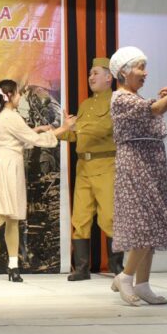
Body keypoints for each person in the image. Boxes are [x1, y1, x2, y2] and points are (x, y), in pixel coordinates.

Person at [108, 47, 167, 306]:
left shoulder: (136, 97)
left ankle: (143, 284)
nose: (145, 73)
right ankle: (125, 276)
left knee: (153, 222)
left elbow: (154, 109)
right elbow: (157, 109)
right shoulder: (121, 98)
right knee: (144, 222)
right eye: (140, 68)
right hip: (135, 164)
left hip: (151, 164)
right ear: (123, 72)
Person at [0, 80, 75, 283]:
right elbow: (34, 141)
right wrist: (63, 128)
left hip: (7, 165)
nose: (20, 97)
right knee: (0, 215)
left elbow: (18, 139)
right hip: (8, 167)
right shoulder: (11, 116)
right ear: (9, 96)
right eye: (17, 94)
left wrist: (37, 129)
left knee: (13, 218)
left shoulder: (0, 115)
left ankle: (13, 266)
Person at [59, 57, 118, 281]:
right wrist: (61, 131)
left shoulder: (116, 101)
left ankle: (117, 267)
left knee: (109, 217)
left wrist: (77, 126)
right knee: (80, 218)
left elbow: (105, 127)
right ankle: (82, 268)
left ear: (108, 77)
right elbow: (76, 135)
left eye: (95, 73)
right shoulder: (85, 105)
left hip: (106, 165)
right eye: (90, 73)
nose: (90, 77)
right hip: (83, 166)